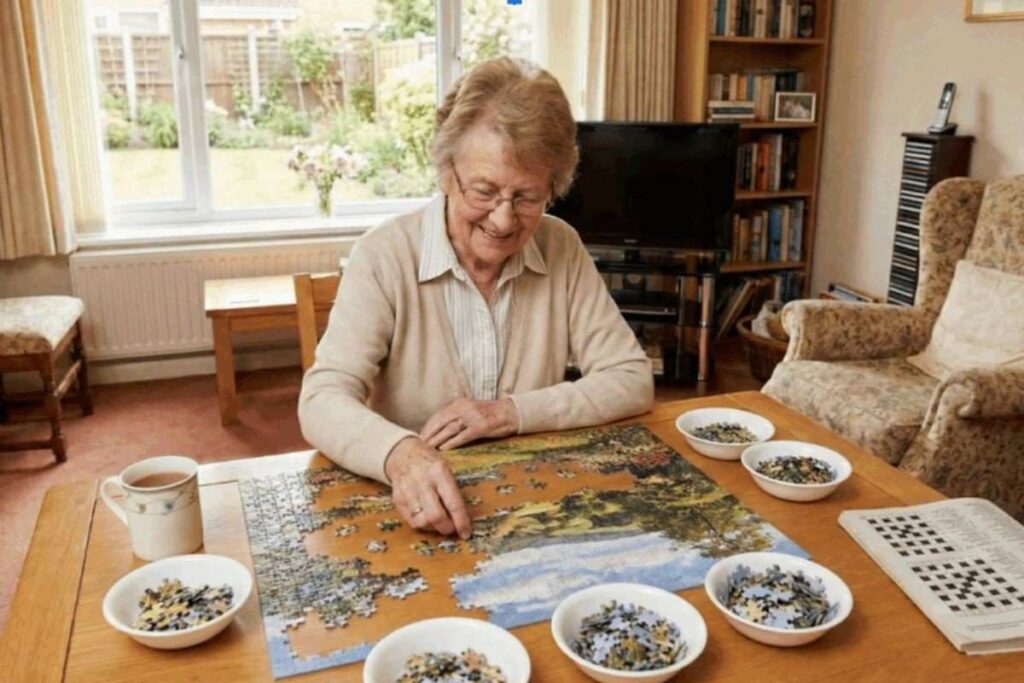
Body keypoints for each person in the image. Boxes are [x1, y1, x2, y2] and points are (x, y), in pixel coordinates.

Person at [299, 57, 653, 541]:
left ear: (553, 187)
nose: (503, 220)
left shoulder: (562, 246)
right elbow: (322, 399)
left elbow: (631, 379)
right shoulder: (382, 255)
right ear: (446, 173)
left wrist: (510, 412)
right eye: (484, 191)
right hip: (413, 512)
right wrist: (400, 455)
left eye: (527, 198)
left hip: (531, 504)